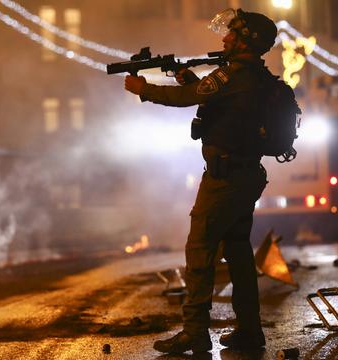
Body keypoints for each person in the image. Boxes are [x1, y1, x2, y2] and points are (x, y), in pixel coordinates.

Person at [123, 8, 278, 354]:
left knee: (200, 251)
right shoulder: (256, 77)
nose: (224, 39)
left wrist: (143, 88)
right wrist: (191, 80)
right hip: (245, 175)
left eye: (232, 34)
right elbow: (220, 107)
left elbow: (186, 99)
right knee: (238, 255)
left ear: (245, 42)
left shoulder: (234, 74)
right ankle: (250, 332)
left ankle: (194, 332)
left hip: (224, 180)